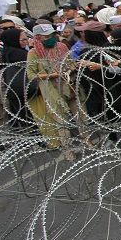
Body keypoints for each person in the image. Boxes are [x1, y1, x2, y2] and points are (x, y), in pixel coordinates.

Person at [26, 24, 77, 160]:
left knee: (80, 114)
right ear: (38, 38)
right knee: (61, 121)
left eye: (51, 35)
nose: (50, 38)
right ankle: (68, 150)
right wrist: (50, 75)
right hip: (50, 90)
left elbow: (71, 63)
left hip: (68, 85)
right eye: (46, 36)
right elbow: (31, 74)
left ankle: (88, 140)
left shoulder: (61, 46)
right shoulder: (34, 53)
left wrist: (68, 69)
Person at [0, 28, 32, 130]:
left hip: (15, 90)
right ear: (13, 40)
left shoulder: (7, 51)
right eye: (23, 40)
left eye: (26, 39)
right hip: (26, 90)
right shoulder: (19, 54)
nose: (26, 42)